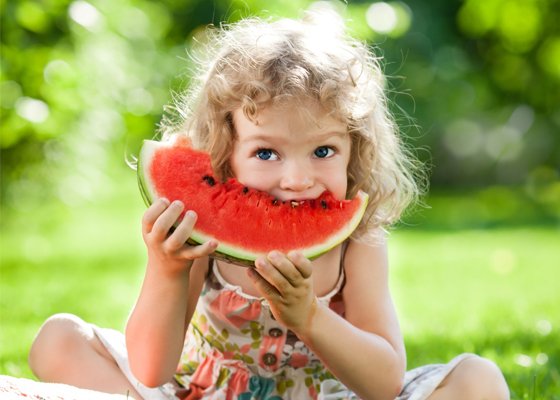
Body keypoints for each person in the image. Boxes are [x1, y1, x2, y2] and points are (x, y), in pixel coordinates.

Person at [28, 10, 510, 400]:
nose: (297, 179)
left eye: (323, 151)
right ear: (224, 155)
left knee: (478, 381)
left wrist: (311, 316)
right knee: (59, 339)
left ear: (356, 150)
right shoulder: (203, 236)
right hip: (203, 393)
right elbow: (153, 370)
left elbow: (383, 384)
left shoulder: (358, 240)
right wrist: (167, 269)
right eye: (265, 153)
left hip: (330, 397)